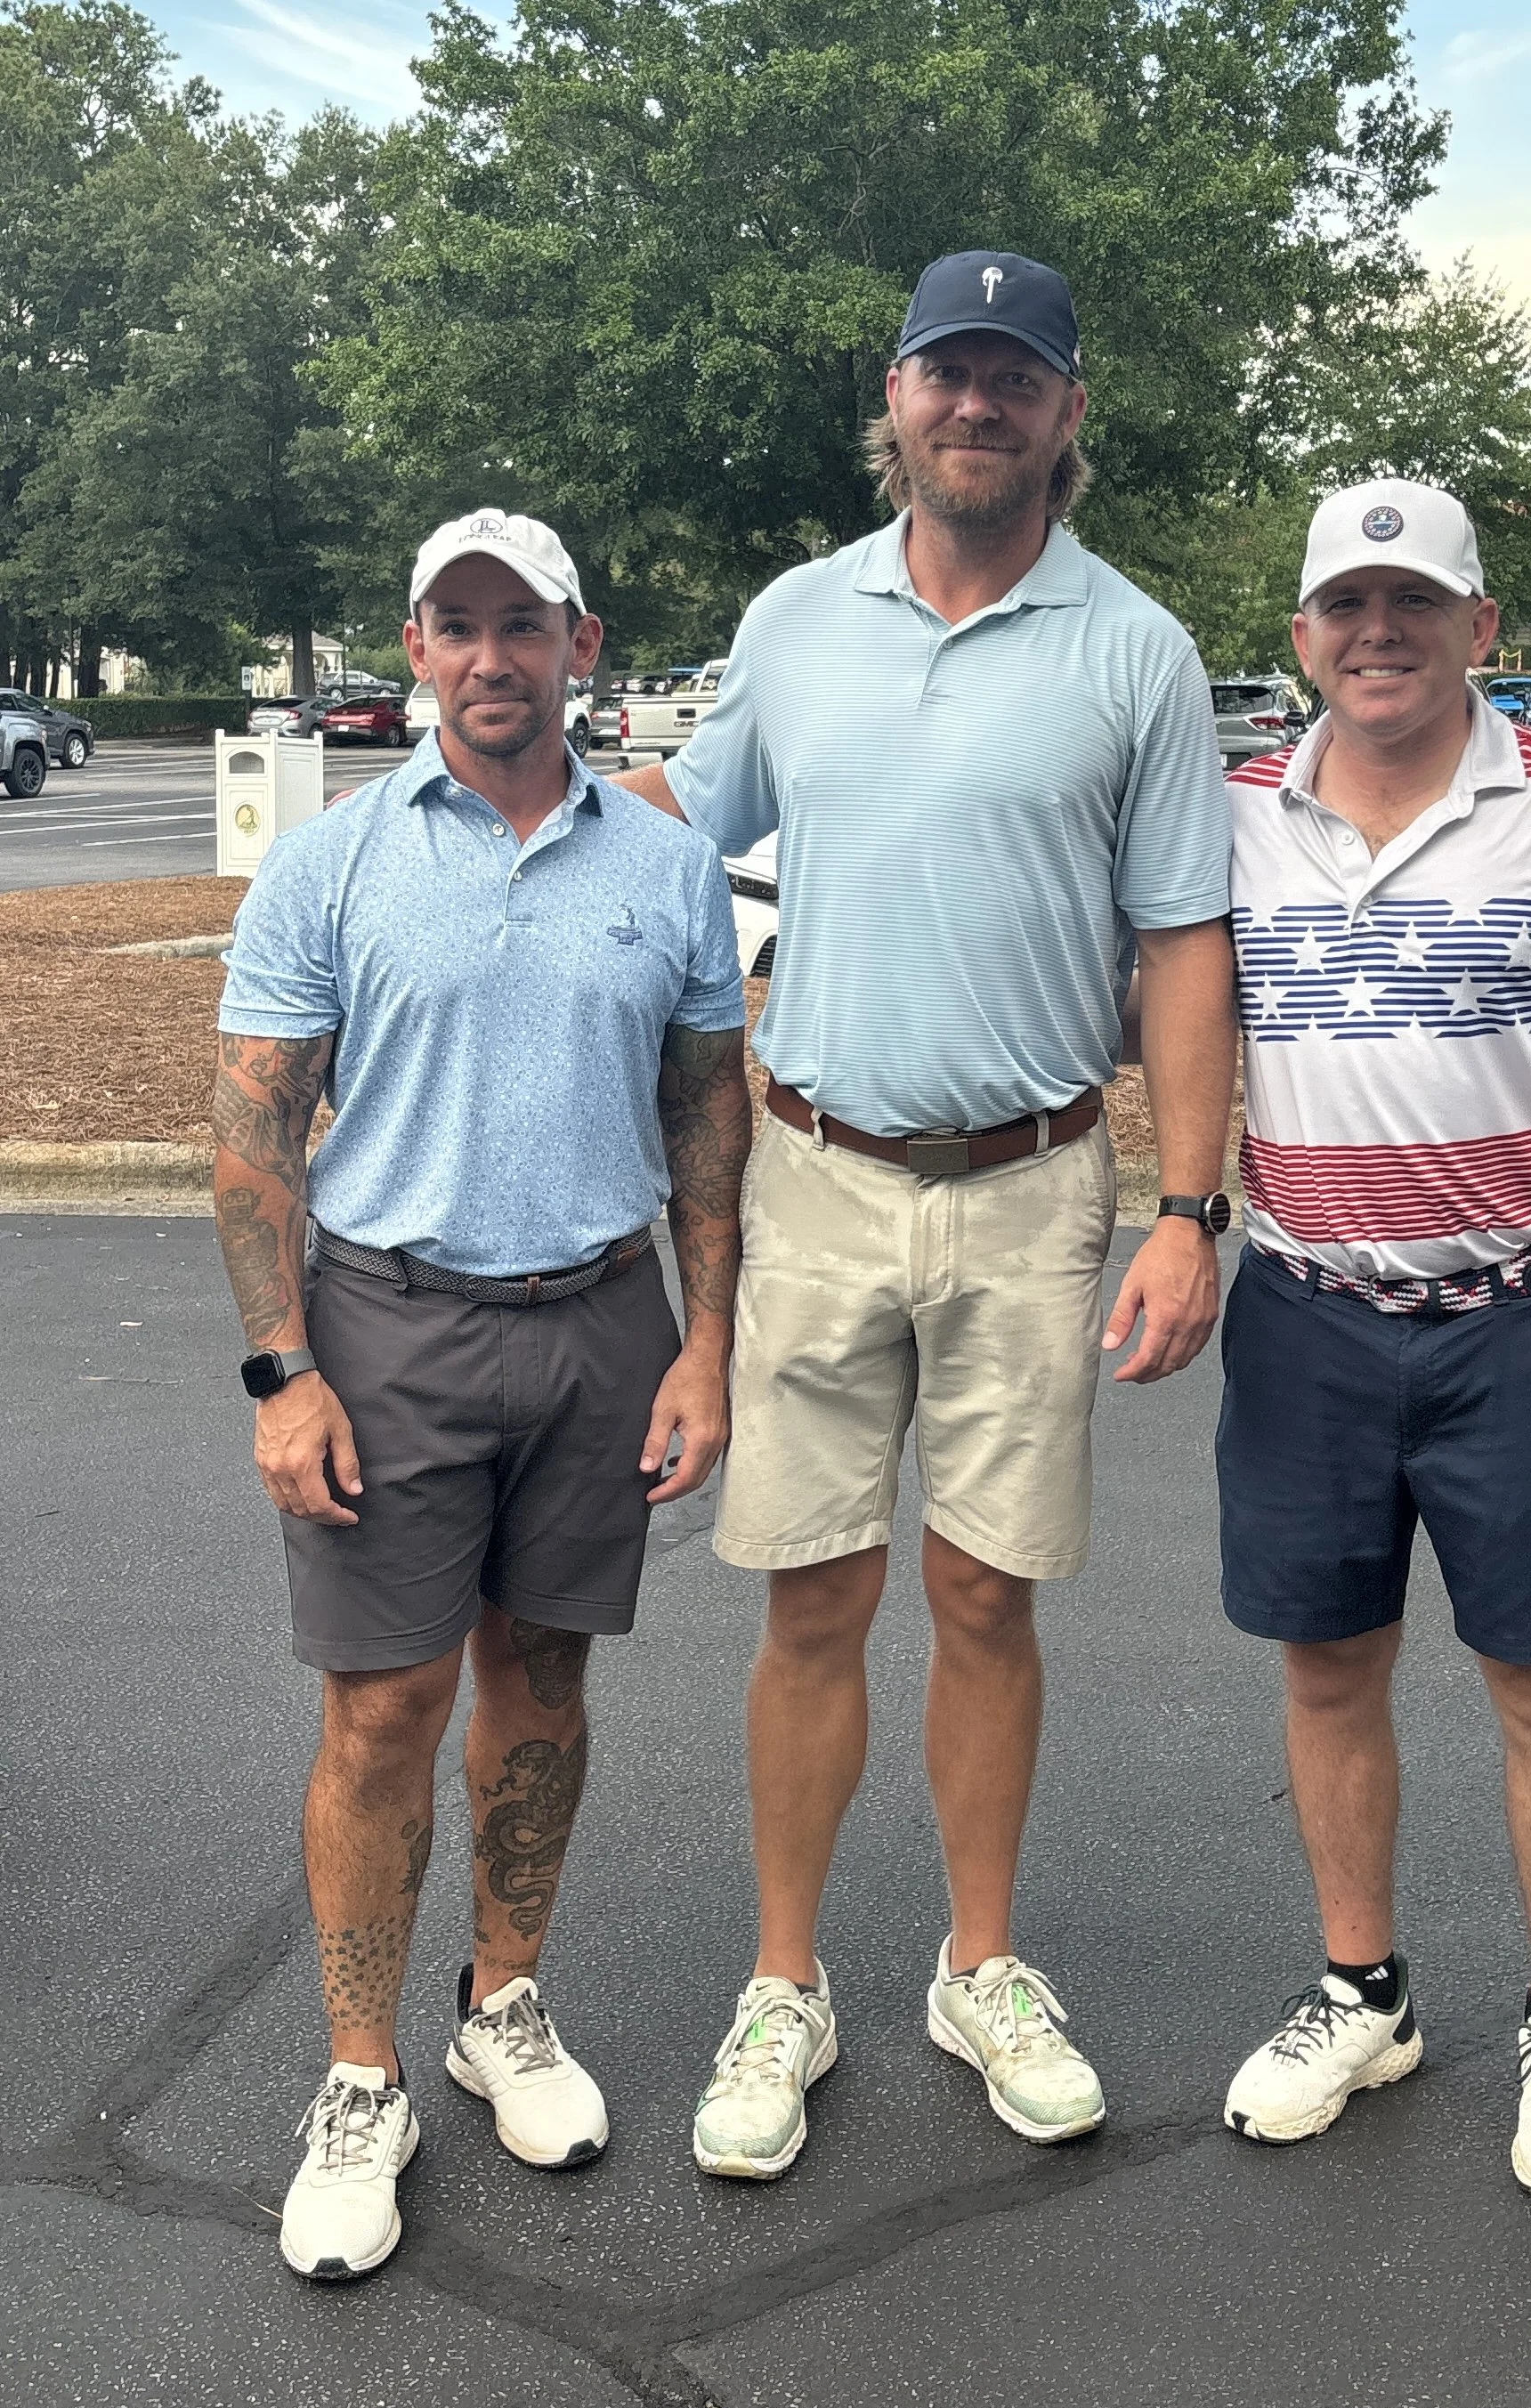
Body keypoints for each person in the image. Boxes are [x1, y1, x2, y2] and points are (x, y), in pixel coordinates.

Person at [614, 250, 1237, 2177]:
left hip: (1035, 1183)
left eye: (1012, 377)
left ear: (1065, 413)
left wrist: (1193, 1207)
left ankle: (978, 1961)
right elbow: (669, 822)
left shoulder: (1134, 649)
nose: (974, 403)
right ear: (893, 399)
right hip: (809, 1169)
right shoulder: (795, 619)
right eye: (942, 371)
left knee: (983, 1593)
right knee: (814, 1595)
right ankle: (784, 1981)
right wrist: (496, 775)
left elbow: (1186, 946)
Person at [213, 508, 750, 2278]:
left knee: (540, 1683)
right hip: (389, 1327)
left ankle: (498, 2005)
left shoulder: (664, 865)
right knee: (381, 1715)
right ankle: (360, 2076)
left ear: (581, 647)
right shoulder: (335, 861)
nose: (491, 656)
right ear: (418, 645)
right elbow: (253, 1133)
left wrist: (706, 1335)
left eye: (524, 626)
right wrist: (283, 1372)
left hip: (602, 1323)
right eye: (458, 625)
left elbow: (705, 1119)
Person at [1215, 477, 1531, 2201]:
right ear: (1299, 638)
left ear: (1480, 629)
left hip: (1525, 1320)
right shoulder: (1232, 815)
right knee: (1327, 1663)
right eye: (1344, 605)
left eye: (1413, 601)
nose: (1378, 632)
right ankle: (1364, 1986)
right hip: (1303, 1318)